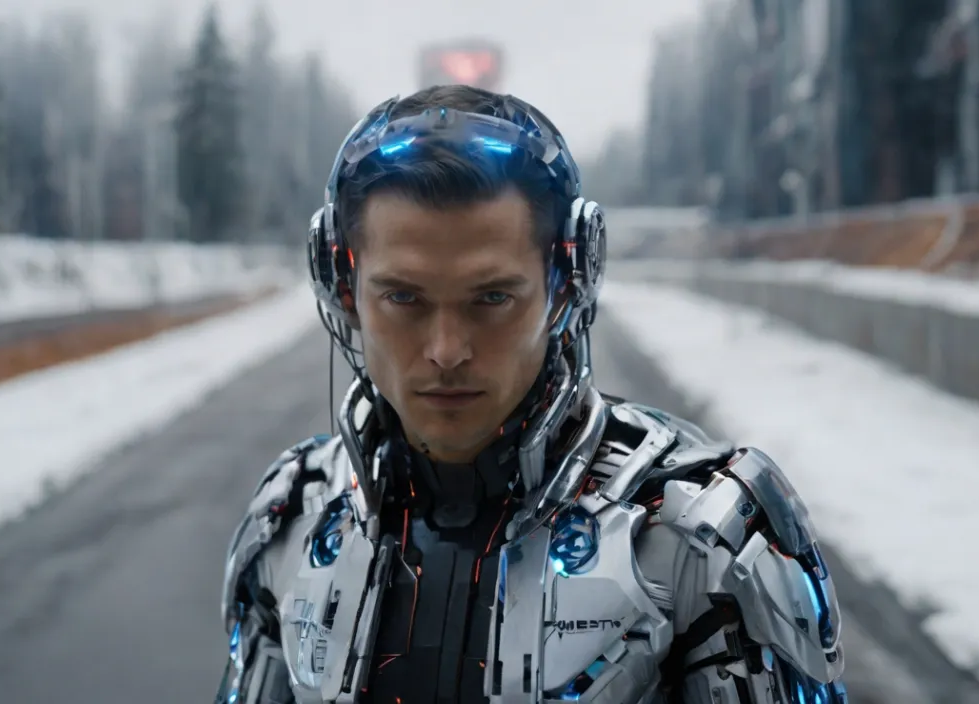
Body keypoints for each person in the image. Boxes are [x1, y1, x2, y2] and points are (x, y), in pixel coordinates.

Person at [215, 85, 848, 703]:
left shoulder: (698, 538)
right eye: (403, 297)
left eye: (492, 298)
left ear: (566, 286)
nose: (446, 350)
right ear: (343, 287)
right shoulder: (291, 520)